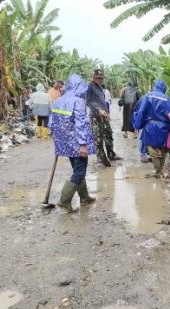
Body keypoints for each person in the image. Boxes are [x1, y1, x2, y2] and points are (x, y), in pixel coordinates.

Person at [49, 74, 96, 213]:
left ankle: (85, 198)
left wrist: (59, 140)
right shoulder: (78, 101)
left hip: (65, 143)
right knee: (80, 171)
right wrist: (82, 144)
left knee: (77, 170)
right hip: (77, 143)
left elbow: (52, 124)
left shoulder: (58, 100)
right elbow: (80, 124)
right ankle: (64, 201)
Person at [133, 80, 170, 178]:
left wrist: (137, 125)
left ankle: (158, 171)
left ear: (155, 87)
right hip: (165, 127)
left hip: (151, 126)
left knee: (153, 149)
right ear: (164, 88)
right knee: (163, 150)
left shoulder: (148, 96)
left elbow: (142, 111)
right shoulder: (168, 99)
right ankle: (161, 170)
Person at [86, 69, 121, 167]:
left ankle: (111, 154)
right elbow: (88, 101)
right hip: (96, 116)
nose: (100, 79)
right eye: (97, 78)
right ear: (93, 77)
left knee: (108, 134)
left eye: (101, 78)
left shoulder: (100, 87)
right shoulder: (90, 87)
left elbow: (101, 101)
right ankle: (100, 156)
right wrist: (98, 111)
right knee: (98, 137)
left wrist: (107, 112)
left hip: (104, 115)